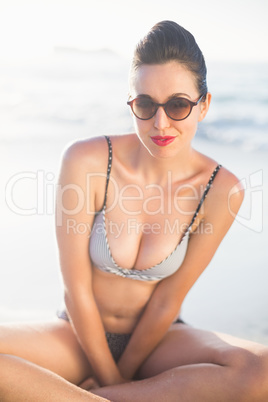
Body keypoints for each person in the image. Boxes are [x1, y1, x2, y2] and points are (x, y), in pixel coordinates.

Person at [0, 20, 268, 402]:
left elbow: (166, 301)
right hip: (75, 335)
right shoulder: (87, 161)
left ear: (203, 105)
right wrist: (112, 380)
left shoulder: (222, 190)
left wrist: (119, 381)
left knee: (260, 371)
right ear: (131, 103)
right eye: (145, 104)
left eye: (178, 105)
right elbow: (76, 289)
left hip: (159, 340)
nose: (160, 123)